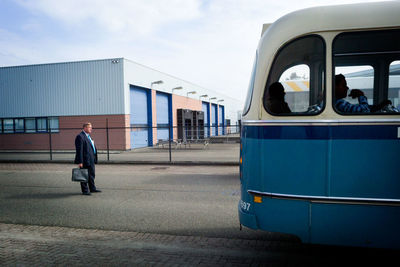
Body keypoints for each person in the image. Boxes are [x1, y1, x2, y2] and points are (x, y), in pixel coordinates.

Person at [74, 122, 101, 195]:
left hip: (91, 159)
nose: (91, 129)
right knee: (84, 175)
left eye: (91, 127)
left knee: (91, 175)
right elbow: (79, 150)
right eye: (89, 127)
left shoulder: (88, 136)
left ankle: (92, 188)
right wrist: (80, 162)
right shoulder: (80, 136)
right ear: (85, 128)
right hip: (84, 160)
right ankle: (85, 190)